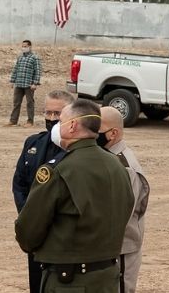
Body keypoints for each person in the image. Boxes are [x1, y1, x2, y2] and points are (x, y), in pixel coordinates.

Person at [15, 99, 134, 293]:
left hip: (69, 281)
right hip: (107, 277)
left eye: (60, 120)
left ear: (72, 126)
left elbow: (28, 230)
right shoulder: (117, 165)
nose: (55, 125)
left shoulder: (59, 169)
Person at [13, 89, 75, 293]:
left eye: (57, 114)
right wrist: (28, 218)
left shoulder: (75, 150)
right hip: (35, 234)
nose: (51, 119)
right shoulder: (33, 143)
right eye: (48, 113)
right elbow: (20, 184)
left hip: (61, 237)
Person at [100, 107, 150, 293]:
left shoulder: (124, 167)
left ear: (113, 133)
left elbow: (120, 215)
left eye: (96, 127)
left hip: (120, 249)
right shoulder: (107, 158)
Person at [8, 40, 43, 126]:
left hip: (29, 85)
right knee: (16, 103)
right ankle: (13, 121)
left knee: (29, 103)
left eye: (25, 46)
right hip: (19, 84)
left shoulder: (35, 57)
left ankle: (30, 121)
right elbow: (15, 69)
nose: (23, 48)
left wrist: (35, 83)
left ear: (30, 47)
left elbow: (38, 71)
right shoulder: (20, 57)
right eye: (22, 46)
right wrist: (12, 81)